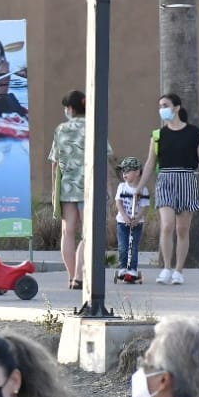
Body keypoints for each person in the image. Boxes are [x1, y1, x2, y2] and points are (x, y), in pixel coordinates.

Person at [139, 92, 199, 285]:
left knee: (182, 229)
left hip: (187, 179)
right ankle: (166, 268)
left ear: (177, 107)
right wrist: (140, 186)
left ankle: (179, 270)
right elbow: (149, 162)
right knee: (167, 225)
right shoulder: (157, 135)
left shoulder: (194, 133)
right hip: (165, 180)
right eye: (160, 105)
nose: (162, 109)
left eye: (166, 105)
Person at [47, 91, 114, 290]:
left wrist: (54, 190)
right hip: (90, 186)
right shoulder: (94, 127)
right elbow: (104, 159)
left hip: (67, 187)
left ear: (70, 108)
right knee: (89, 233)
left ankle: (71, 276)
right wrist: (108, 187)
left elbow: (55, 162)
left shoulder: (60, 129)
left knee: (68, 232)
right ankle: (79, 275)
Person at [114, 156, 150, 283]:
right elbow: (118, 202)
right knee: (123, 246)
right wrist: (124, 216)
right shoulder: (122, 187)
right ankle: (123, 267)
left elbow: (144, 207)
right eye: (123, 171)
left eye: (127, 171)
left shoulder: (143, 189)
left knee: (133, 246)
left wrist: (137, 218)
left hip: (137, 223)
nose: (124, 174)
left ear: (137, 172)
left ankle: (132, 269)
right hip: (122, 223)